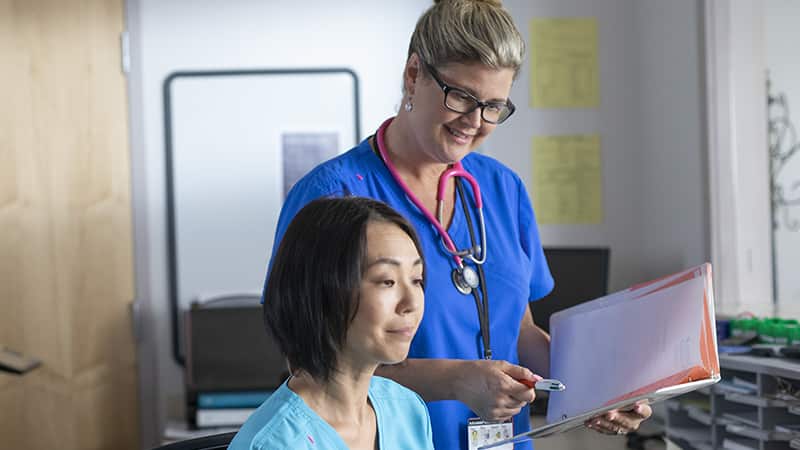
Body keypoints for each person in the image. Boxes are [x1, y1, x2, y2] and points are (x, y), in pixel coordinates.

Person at [266, 0, 651, 448]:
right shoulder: (334, 195)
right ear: (414, 75)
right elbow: (308, 362)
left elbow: (520, 332)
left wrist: (597, 388)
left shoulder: (502, 190)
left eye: (494, 106)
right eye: (462, 97)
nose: (475, 122)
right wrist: (453, 381)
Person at [230, 197, 434, 450]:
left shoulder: (406, 409)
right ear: (323, 291)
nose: (411, 302)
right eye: (386, 281)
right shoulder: (275, 444)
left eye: (416, 279)